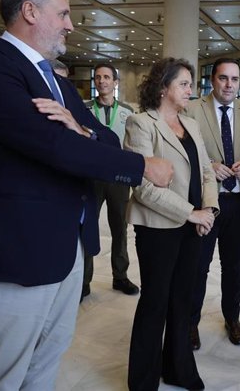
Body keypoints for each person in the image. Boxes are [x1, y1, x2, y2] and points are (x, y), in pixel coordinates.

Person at [0, 0, 173, 390]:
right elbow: (50, 144)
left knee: (45, 362)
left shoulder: (58, 82)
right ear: (30, 11)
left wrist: (81, 128)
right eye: (64, 14)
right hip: (11, 254)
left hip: (64, 249)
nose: (71, 25)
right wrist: (142, 166)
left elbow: (101, 134)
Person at [125, 57, 219, 391]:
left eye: (190, 84)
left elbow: (207, 170)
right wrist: (190, 212)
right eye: (183, 83)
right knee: (155, 302)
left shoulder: (191, 124)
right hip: (157, 230)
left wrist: (209, 209)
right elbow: (144, 186)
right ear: (163, 87)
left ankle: (178, 369)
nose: (190, 90)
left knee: (182, 300)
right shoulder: (141, 123)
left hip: (193, 226)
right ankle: (143, 380)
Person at [186, 58, 240, 350]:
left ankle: (232, 318)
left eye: (234, 79)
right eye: (223, 78)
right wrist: (210, 164)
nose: (229, 84)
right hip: (207, 203)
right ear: (212, 80)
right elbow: (184, 151)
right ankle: (190, 323)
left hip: (238, 202)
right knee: (199, 266)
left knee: (234, 265)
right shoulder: (192, 109)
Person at [82, 63, 139, 301]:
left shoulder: (128, 112)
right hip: (90, 178)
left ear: (115, 83)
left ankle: (120, 276)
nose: (102, 81)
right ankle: (83, 281)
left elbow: (133, 144)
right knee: (87, 230)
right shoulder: (83, 109)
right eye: (98, 77)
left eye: (107, 77)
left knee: (120, 229)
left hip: (117, 179)